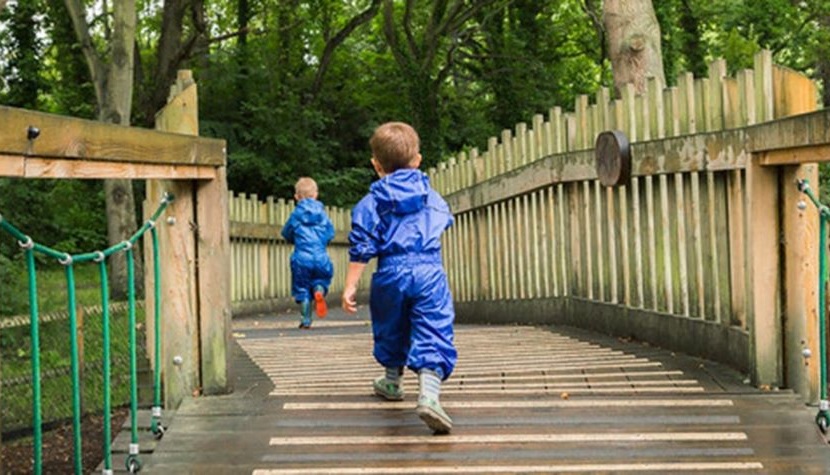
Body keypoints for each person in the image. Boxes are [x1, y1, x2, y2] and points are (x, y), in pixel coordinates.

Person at [341, 122, 457, 434]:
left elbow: (362, 246)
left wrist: (351, 285)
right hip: (430, 271)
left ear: (376, 165)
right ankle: (430, 396)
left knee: (392, 325)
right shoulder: (432, 198)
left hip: (391, 271)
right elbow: (445, 220)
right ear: (417, 160)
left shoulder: (371, 203)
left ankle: (392, 381)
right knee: (433, 327)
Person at [282, 177, 335, 329]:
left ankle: (306, 320)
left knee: (302, 287)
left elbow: (286, 233)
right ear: (316, 195)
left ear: (296, 197)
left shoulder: (295, 216)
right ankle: (319, 290)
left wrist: (295, 239)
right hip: (321, 257)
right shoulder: (323, 216)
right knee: (321, 279)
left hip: (301, 258)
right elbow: (330, 233)